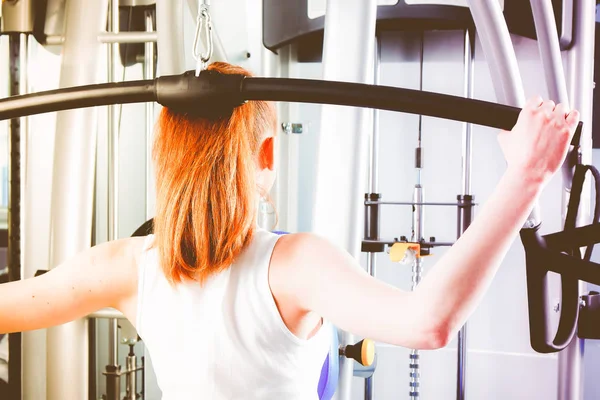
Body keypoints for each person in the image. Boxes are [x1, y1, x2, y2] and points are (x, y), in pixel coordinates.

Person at [0, 62, 580, 399]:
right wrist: (526, 174)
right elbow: (428, 324)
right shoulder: (295, 265)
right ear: (267, 155)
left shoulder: (127, 268)